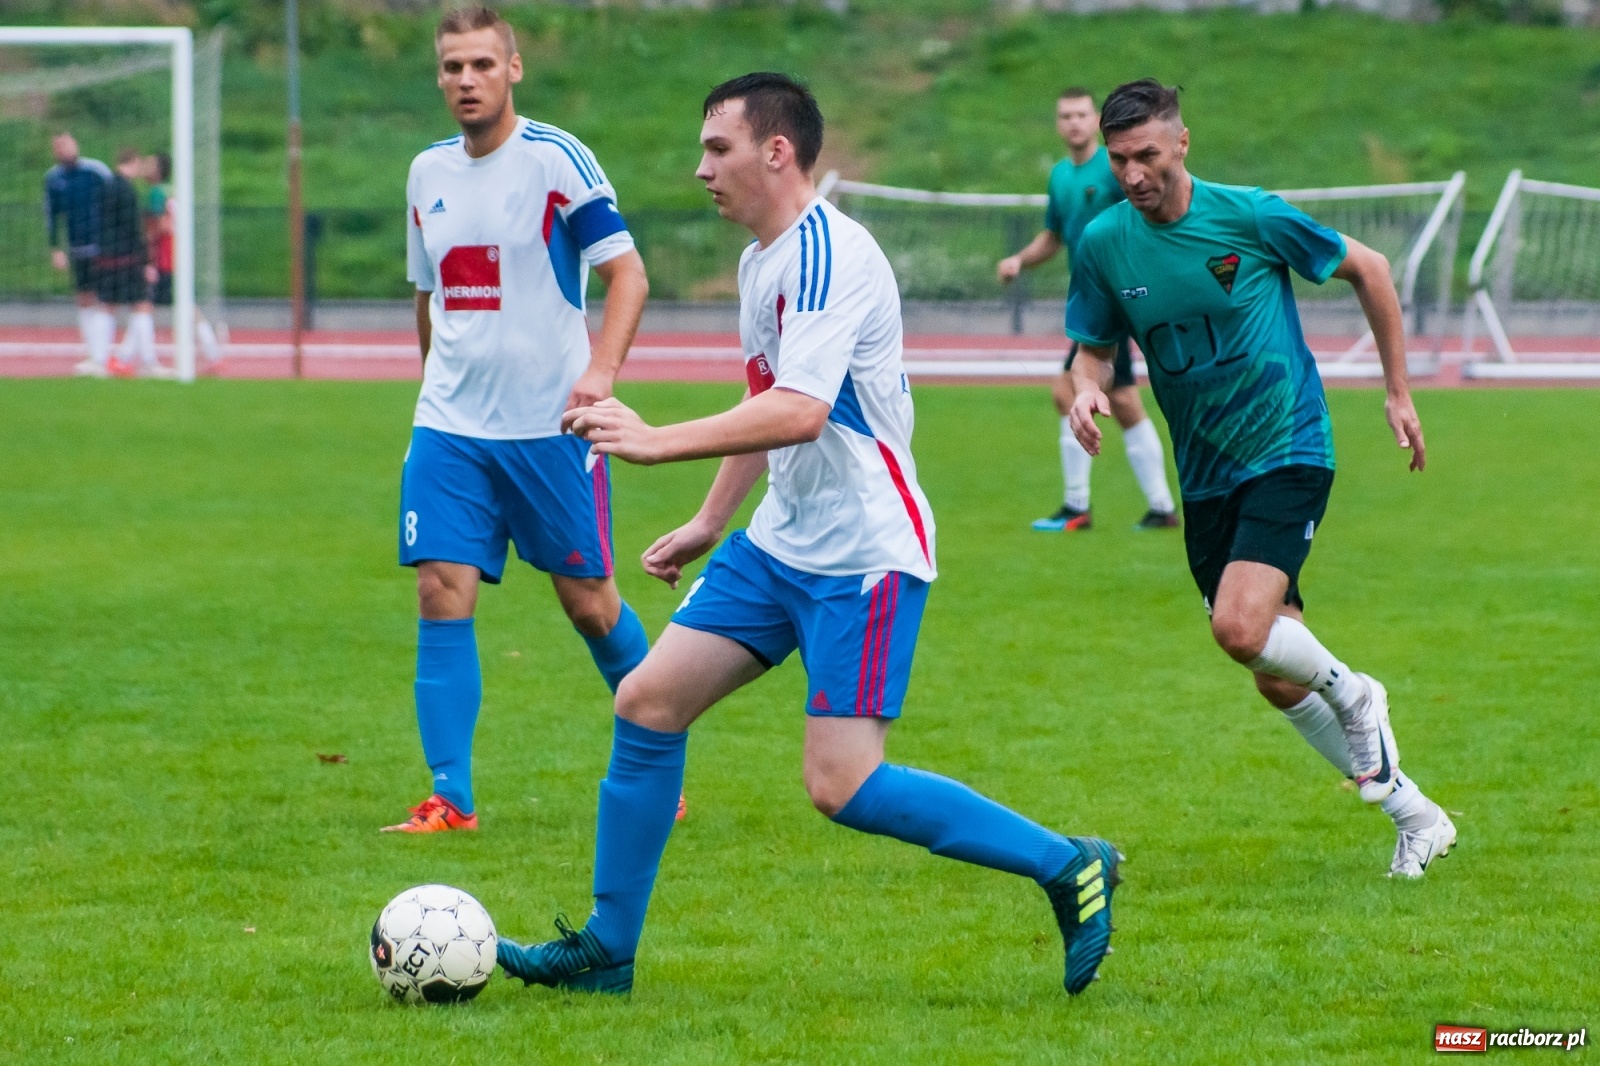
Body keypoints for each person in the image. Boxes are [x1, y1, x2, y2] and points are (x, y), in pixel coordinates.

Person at [495, 72, 1122, 998]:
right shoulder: (762, 261)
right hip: (782, 541)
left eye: (718, 149)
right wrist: (712, 520)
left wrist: (657, 441)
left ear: (775, 152)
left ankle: (1069, 862)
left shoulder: (831, 251)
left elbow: (801, 410)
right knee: (647, 701)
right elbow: (767, 402)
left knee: (842, 785)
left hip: (865, 552)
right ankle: (607, 950)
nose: (700, 168)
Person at [1065, 79, 1455, 879]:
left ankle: (1357, 696)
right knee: (1275, 679)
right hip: (1206, 475)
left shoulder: (1248, 215)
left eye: (1146, 156)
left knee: (1241, 630)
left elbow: (1371, 270)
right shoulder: (1104, 242)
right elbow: (1094, 346)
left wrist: (1397, 390)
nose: (1134, 175)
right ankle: (1418, 817)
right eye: (1119, 161)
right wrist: (1085, 388)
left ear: (1181, 144)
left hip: (1286, 446)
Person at [384, 5, 654, 833]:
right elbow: (429, 297)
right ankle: (451, 797)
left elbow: (629, 275)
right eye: (452, 67)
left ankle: (658, 744)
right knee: (440, 589)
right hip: (452, 428)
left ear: (513, 68)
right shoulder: (425, 172)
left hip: (551, 428)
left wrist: (599, 375)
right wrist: (436, 391)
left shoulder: (556, 160)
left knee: (591, 604)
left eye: (481, 65)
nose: (466, 80)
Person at [997, 89, 1177, 533]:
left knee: (1074, 391)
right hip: (1096, 298)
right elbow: (1054, 236)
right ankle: (1160, 509)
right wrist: (1021, 259)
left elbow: (1148, 212)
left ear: (1094, 119)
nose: (1074, 122)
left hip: (1118, 296)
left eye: (1081, 114)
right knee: (1118, 399)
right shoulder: (1061, 176)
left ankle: (1080, 506)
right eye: (1065, 115)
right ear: (1058, 123)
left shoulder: (1115, 166)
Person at [142, 151, 223, 370]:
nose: (144, 168)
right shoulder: (173, 191)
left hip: (165, 257)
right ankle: (212, 353)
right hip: (178, 255)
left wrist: (146, 248)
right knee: (185, 306)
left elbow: (159, 227)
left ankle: (138, 359)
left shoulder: (157, 193)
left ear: (159, 169)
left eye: (149, 164)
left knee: (143, 306)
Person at [43, 132, 114, 377]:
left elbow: (114, 203)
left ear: (76, 145)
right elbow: (52, 215)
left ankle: (103, 354)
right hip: (76, 247)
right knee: (83, 298)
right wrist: (55, 249)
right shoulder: (54, 178)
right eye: (58, 146)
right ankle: (94, 354)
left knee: (104, 298)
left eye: (66, 144)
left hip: (102, 245)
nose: (63, 149)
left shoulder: (95, 171)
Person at [100, 148, 169, 379]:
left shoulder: (106, 186)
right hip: (129, 258)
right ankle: (144, 362)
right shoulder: (130, 192)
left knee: (110, 305)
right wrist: (147, 261)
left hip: (107, 256)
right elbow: (137, 230)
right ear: (133, 162)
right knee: (140, 305)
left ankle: (107, 358)